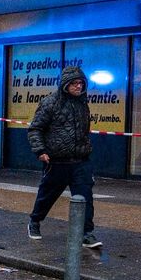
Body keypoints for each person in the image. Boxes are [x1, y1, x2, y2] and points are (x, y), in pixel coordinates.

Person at [26, 65, 101, 248]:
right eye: (74, 84)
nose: (78, 87)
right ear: (65, 85)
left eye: (80, 83)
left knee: (85, 198)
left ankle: (87, 233)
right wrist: (40, 151)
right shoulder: (50, 103)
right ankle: (35, 222)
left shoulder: (83, 104)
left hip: (80, 162)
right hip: (56, 161)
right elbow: (35, 128)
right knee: (47, 195)